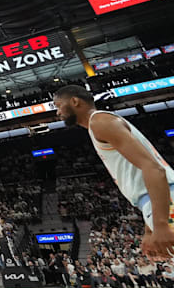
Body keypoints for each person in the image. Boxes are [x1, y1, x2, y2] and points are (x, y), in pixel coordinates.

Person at [54, 85, 174, 258]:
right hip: (159, 201)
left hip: (167, 200)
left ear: (74, 101)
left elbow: (153, 168)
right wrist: (149, 229)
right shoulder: (98, 125)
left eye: (58, 106)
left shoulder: (100, 122)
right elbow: (144, 177)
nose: (57, 112)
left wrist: (161, 224)